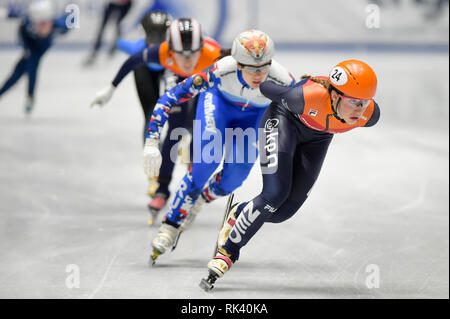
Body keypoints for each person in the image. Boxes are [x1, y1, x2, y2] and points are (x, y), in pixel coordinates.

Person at [199, 59, 381, 291]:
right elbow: (266, 88)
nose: (360, 110)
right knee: (275, 194)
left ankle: (241, 212)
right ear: (334, 96)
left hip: (318, 138)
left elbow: (362, 109)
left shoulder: (370, 116)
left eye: (365, 103)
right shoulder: (303, 97)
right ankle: (228, 252)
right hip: (284, 120)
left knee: (282, 212)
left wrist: (361, 106)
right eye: (354, 102)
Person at [142, 29, 296, 263]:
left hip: (254, 115)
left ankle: (200, 198)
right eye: (251, 68)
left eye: (264, 67)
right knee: (206, 162)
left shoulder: (283, 79)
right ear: (237, 64)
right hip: (219, 103)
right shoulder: (220, 71)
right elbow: (170, 98)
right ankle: (171, 224)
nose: (259, 75)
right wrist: (152, 141)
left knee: (234, 179)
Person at [90, 18, 222, 224]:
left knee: (198, 127)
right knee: (175, 130)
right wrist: (111, 88)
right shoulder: (161, 52)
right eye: (181, 54)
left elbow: (247, 63)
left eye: (192, 53)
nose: (187, 61)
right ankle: (162, 190)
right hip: (178, 80)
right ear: (170, 50)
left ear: (202, 48)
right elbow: (132, 61)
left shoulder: (214, 53)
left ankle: (192, 178)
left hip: (204, 80)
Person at [0, 0, 71, 114]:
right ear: (33, 22)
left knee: (29, 65)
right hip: (31, 45)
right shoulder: (27, 25)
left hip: (43, 46)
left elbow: (70, 17)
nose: (43, 27)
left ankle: (29, 97)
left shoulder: (61, 25)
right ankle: (30, 97)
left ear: (51, 20)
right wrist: (26, 48)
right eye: (39, 24)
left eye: (46, 23)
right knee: (22, 70)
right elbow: (14, 16)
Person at [83, 0, 133, 66]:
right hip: (113, 4)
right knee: (102, 28)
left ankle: (115, 46)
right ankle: (95, 52)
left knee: (118, 25)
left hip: (125, 4)